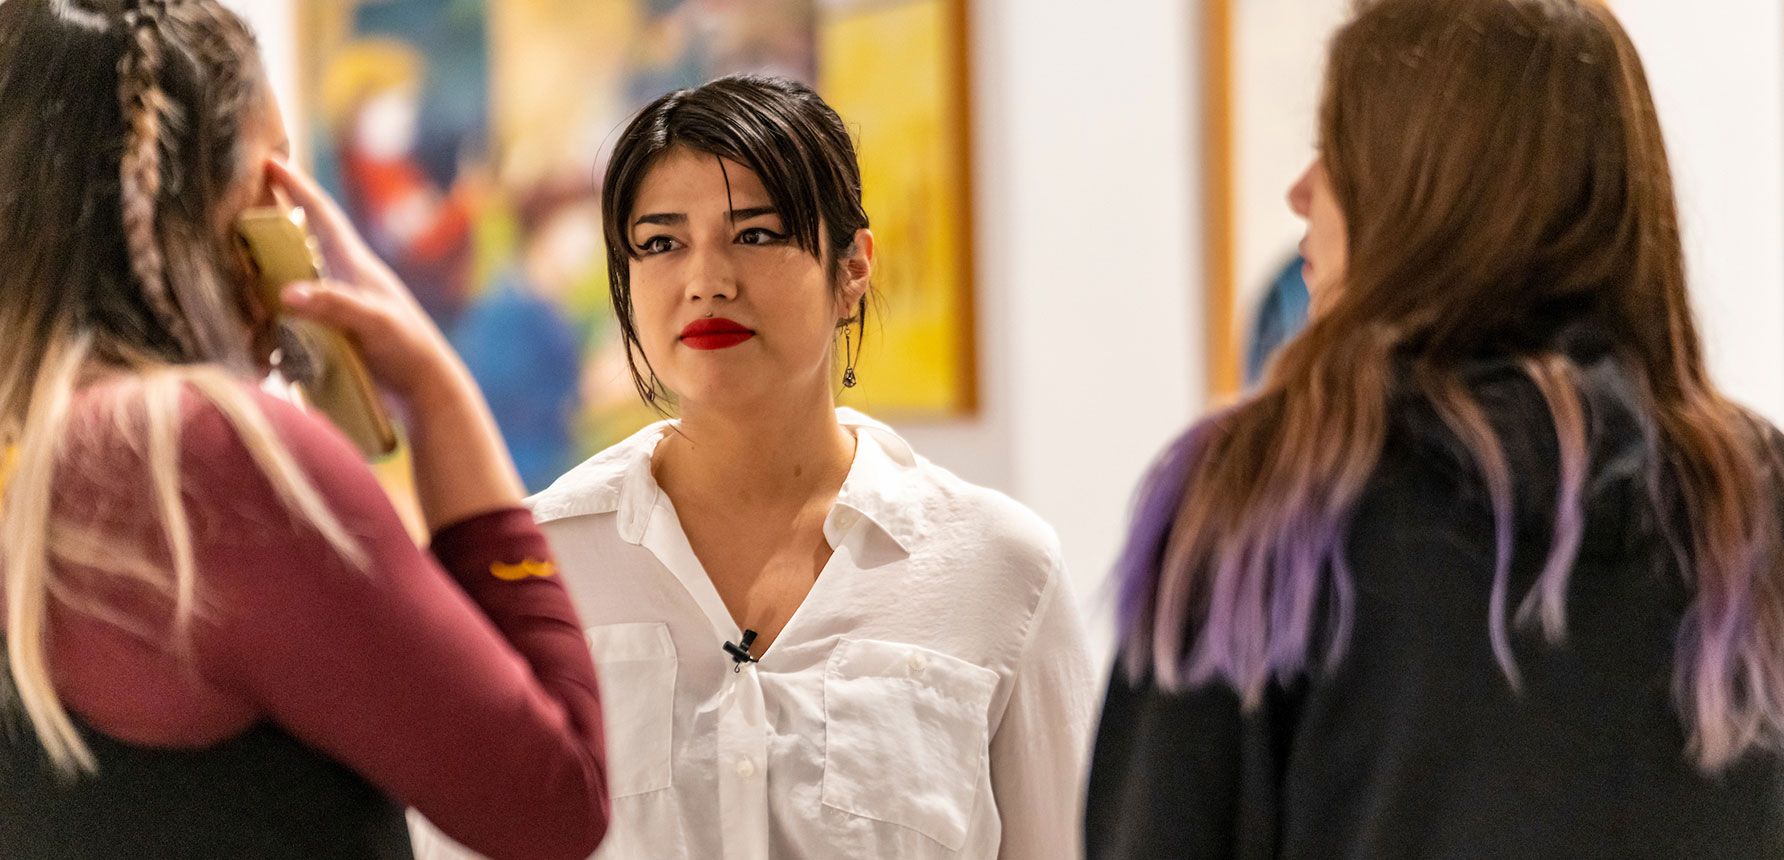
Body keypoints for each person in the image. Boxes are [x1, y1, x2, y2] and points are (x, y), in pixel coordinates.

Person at [1086, 1, 1784, 858]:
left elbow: (1158, 829)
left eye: (1340, 150)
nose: (1302, 191)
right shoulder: (1757, 507)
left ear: (1431, 189)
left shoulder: (1267, 497)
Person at [412, 73, 1095, 860]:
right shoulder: (539, 568)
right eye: (661, 243)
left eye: (757, 234)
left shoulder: (997, 569)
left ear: (852, 270)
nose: (708, 280)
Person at [0, 2, 607, 858]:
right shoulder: (202, 456)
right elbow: (556, 802)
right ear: (224, 207)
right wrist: (438, 396)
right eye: (277, 178)